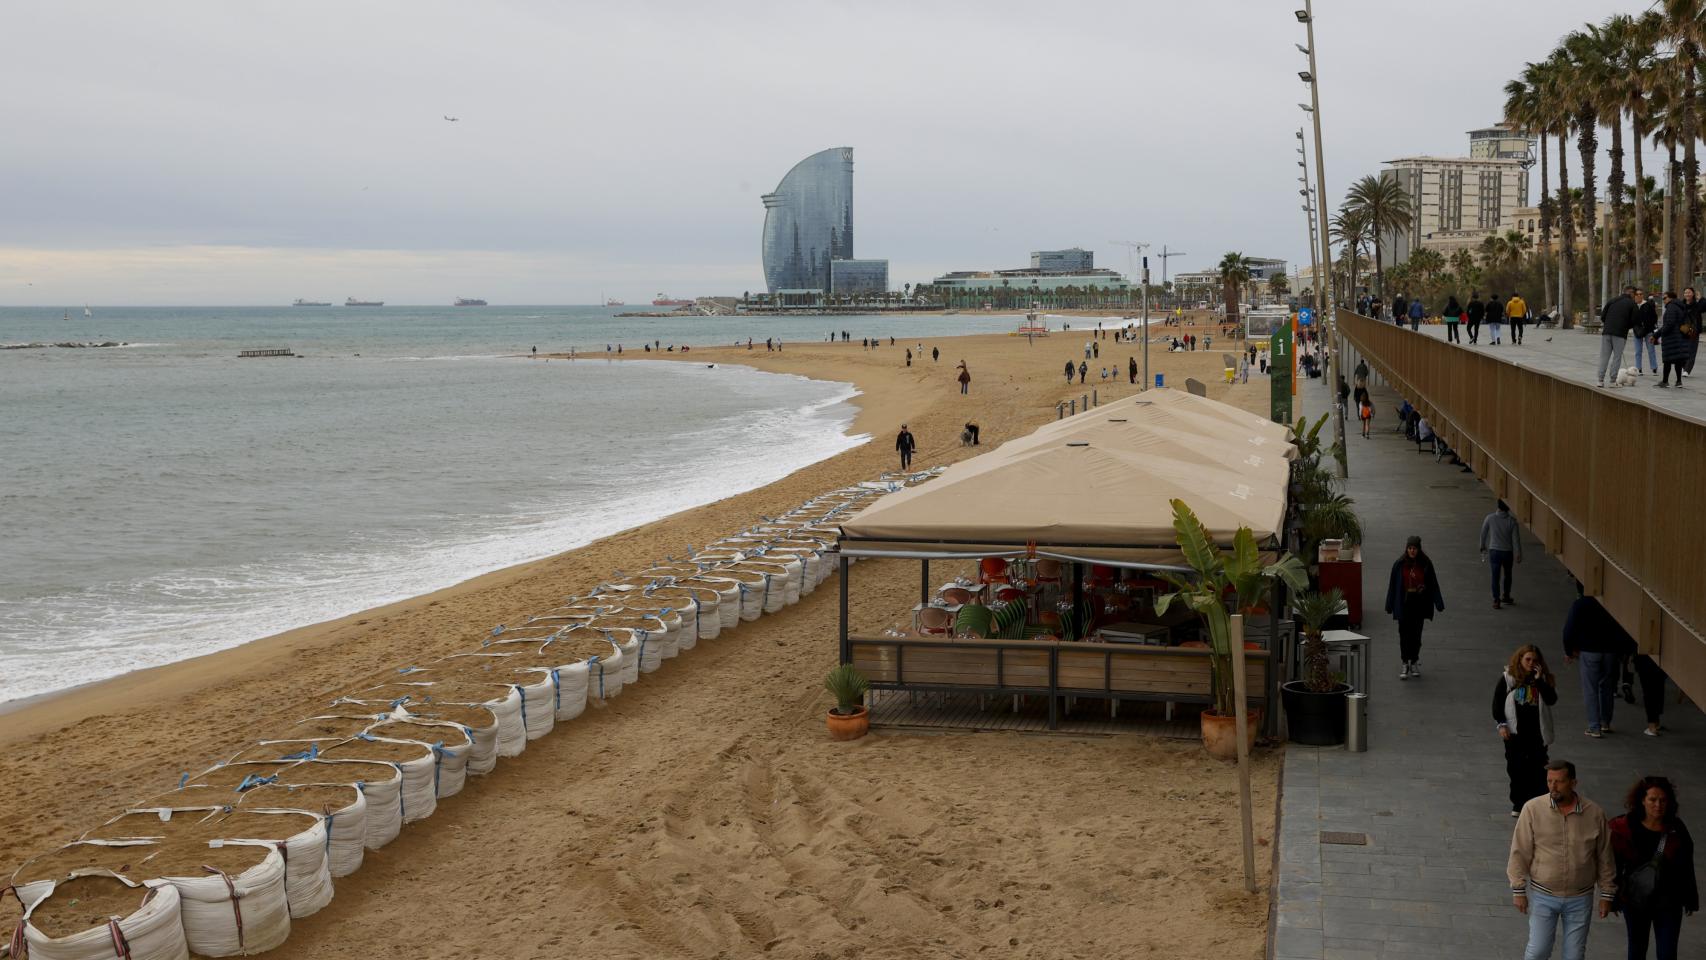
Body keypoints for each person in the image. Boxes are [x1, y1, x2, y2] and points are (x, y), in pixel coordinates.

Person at [1508, 760, 1617, 960]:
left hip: (1580, 897)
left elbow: (1604, 856)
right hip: (1543, 895)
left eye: (1559, 782)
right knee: (1537, 952)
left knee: (1574, 956)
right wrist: (1518, 889)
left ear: (1573, 782)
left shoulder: (1594, 813)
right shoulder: (1533, 809)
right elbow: (1519, 850)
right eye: (1549, 781)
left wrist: (1606, 894)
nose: (1553, 787)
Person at [1609, 776, 1698, 960]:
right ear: (1642, 800)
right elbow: (1614, 866)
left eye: (1663, 800)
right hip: (1635, 901)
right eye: (1652, 799)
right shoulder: (1623, 827)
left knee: (1667, 953)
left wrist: (1690, 898)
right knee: (1637, 949)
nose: (1658, 805)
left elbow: (1686, 866)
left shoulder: (1675, 828)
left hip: (1668, 901)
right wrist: (1613, 897)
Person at [1495, 644, 1558, 817]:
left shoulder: (1543, 679)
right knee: (1516, 769)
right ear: (1520, 660)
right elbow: (1497, 703)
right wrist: (1502, 725)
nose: (1531, 663)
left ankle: (1536, 802)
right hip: (1515, 734)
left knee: (1538, 768)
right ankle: (1519, 802)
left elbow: (1552, 700)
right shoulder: (1509, 678)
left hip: (1537, 733)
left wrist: (1539, 681)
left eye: (1534, 660)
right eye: (1527, 659)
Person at [1563, 582, 1632, 738]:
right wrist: (1623, 650)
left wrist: (1569, 650)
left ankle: (1594, 726)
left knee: (1590, 689)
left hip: (1589, 650)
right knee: (1607, 686)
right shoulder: (1613, 603)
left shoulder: (1581, 604)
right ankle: (1605, 721)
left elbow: (1569, 629)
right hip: (1610, 651)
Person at [1384, 535, 1444, 679]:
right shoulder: (1399, 564)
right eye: (1410, 548)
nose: (1412, 551)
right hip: (1404, 603)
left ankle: (1414, 661)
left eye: (1414, 548)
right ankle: (1405, 662)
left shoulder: (1425, 563)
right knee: (1404, 634)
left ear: (1418, 549)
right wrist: (1389, 604)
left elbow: (1433, 583)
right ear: (1407, 549)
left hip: (1419, 603)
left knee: (1416, 634)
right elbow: (1393, 585)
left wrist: (1438, 602)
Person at [1480, 499, 1524, 608]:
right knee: (1507, 575)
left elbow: (1483, 533)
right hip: (1507, 553)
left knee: (1495, 576)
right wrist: (1518, 553)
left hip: (1494, 552)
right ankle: (1506, 595)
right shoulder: (1512, 521)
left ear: (1498, 506)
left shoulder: (1490, 518)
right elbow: (1516, 540)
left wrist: (1482, 546)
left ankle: (1496, 600)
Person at [1597, 286, 1638, 388]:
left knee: (1604, 357)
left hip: (1607, 332)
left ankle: (1600, 380)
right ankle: (1612, 381)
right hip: (1620, 334)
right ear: (1632, 293)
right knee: (1617, 357)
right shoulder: (1632, 304)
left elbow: (1603, 316)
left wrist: (1609, 324)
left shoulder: (1612, 300)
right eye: (1635, 295)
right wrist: (1625, 326)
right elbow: (1635, 320)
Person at [1655, 291, 1690, 388]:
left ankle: (1665, 381)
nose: (1663, 300)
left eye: (1664, 298)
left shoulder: (1671, 307)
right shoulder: (1680, 306)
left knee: (1667, 360)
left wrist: (1659, 334)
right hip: (1680, 337)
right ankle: (1679, 381)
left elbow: (1669, 324)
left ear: (1670, 298)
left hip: (1671, 338)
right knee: (1678, 360)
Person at [1632, 653, 1670, 737]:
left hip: (1644, 659)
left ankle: (1652, 726)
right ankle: (1656, 722)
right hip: (1660, 659)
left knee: (1648, 692)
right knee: (1659, 689)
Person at [1633, 288, 1659, 375]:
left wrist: (1650, 325)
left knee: (1651, 350)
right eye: (1637, 294)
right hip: (1637, 331)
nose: (1639, 296)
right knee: (1638, 351)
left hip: (1648, 331)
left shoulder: (1648, 305)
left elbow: (1654, 317)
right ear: (1635, 296)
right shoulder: (1633, 306)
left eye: (1641, 294)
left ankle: (1654, 368)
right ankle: (1638, 368)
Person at [1685, 286, 1702, 377]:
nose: (1687, 294)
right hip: (1684, 329)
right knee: (1683, 349)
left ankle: (1687, 370)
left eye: (1689, 292)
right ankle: (1684, 366)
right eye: (1686, 292)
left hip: (1694, 330)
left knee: (1692, 350)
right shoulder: (1682, 304)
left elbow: (1704, 307)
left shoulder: (1696, 304)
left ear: (1693, 294)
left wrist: (1700, 298)